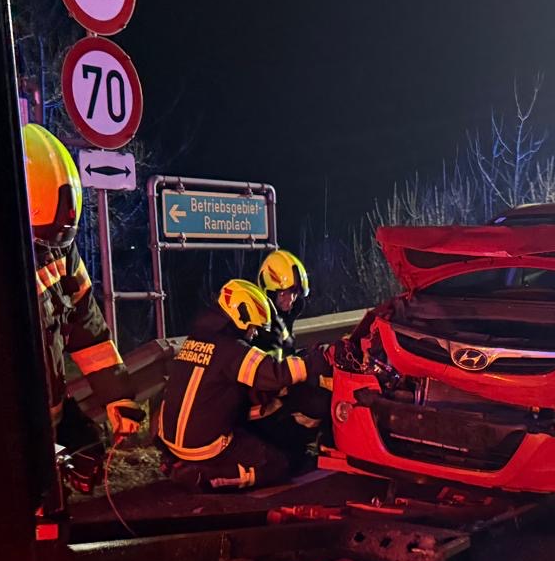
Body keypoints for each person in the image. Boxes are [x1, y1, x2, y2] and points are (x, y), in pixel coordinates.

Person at [22, 123, 142, 446]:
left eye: (57, 241)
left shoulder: (58, 246)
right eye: (40, 242)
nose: (51, 251)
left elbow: (88, 328)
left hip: (50, 427)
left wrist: (118, 396)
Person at [157, 279, 329, 490]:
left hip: (171, 439)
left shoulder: (196, 339)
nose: (254, 333)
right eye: (253, 327)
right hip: (206, 446)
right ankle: (206, 476)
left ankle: (176, 462)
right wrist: (316, 361)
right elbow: (276, 373)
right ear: (242, 315)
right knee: (277, 464)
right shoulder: (232, 349)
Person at [251, 248, 332, 452]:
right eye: (284, 293)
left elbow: (283, 357)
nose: (290, 299)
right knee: (321, 405)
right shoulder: (260, 326)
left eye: (294, 293)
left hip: (278, 391)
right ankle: (295, 453)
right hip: (262, 407)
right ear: (269, 291)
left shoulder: (281, 317)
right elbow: (266, 375)